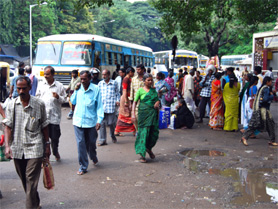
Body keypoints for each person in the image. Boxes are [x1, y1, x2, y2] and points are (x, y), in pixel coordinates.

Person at [3, 76, 50, 209]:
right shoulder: (12, 104)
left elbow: (45, 125)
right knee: (24, 179)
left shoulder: (39, 104)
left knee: (30, 178)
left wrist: (47, 145)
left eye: (24, 88)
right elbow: (7, 126)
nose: (21, 91)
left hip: (35, 146)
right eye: (19, 88)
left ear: (30, 88)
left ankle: (30, 207)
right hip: (17, 147)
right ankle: (35, 202)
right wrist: (7, 146)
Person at [70, 71, 104, 175]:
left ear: (90, 78)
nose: (83, 81)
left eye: (85, 79)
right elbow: (73, 101)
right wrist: (75, 90)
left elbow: (99, 106)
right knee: (81, 143)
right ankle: (83, 166)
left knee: (91, 143)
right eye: (81, 79)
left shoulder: (96, 89)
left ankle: (93, 156)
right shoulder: (78, 88)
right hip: (78, 121)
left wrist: (99, 120)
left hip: (91, 122)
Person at [36, 66, 66, 161]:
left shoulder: (59, 86)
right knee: (43, 139)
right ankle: (45, 157)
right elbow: (37, 98)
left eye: (48, 74)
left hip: (54, 118)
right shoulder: (41, 85)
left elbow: (65, 99)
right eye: (45, 74)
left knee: (55, 138)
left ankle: (55, 151)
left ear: (53, 74)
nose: (46, 76)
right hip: (43, 117)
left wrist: (58, 97)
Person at [132, 73, 160, 163]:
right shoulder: (140, 91)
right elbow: (134, 102)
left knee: (153, 133)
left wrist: (158, 103)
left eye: (151, 80)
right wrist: (133, 114)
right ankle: (142, 155)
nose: (150, 82)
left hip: (153, 115)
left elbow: (157, 101)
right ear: (144, 81)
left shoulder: (154, 91)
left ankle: (148, 148)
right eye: (148, 80)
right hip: (143, 115)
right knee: (143, 134)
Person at [241, 76, 277, 146]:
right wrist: (272, 96)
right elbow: (265, 99)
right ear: (267, 82)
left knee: (265, 125)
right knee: (264, 125)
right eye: (270, 81)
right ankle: (245, 137)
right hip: (263, 110)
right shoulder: (266, 89)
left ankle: (245, 137)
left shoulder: (261, 88)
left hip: (259, 109)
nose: (271, 83)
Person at [97, 69, 120, 146]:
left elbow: (117, 93)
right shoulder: (100, 83)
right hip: (102, 107)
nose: (103, 76)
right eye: (103, 75)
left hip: (111, 107)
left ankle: (112, 135)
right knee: (102, 124)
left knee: (111, 123)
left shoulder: (114, 83)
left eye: (105, 74)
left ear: (108, 75)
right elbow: (98, 94)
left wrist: (117, 100)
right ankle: (102, 140)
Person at [115, 67, 136, 136]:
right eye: (133, 72)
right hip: (126, 98)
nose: (133, 74)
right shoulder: (126, 79)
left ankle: (133, 130)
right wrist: (126, 101)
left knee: (127, 114)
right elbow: (124, 90)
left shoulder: (128, 79)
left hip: (127, 98)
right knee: (127, 115)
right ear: (130, 72)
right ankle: (133, 130)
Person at [128, 64, 145, 133]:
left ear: (143, 70)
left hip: (146, 103)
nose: (137, 71)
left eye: (139, 69)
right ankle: (138, 131)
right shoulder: (133, 79)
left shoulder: (147, 78)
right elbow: (132, 91)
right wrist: (130, 103)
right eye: (137, 69)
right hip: (136, 103)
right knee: (136, 118)